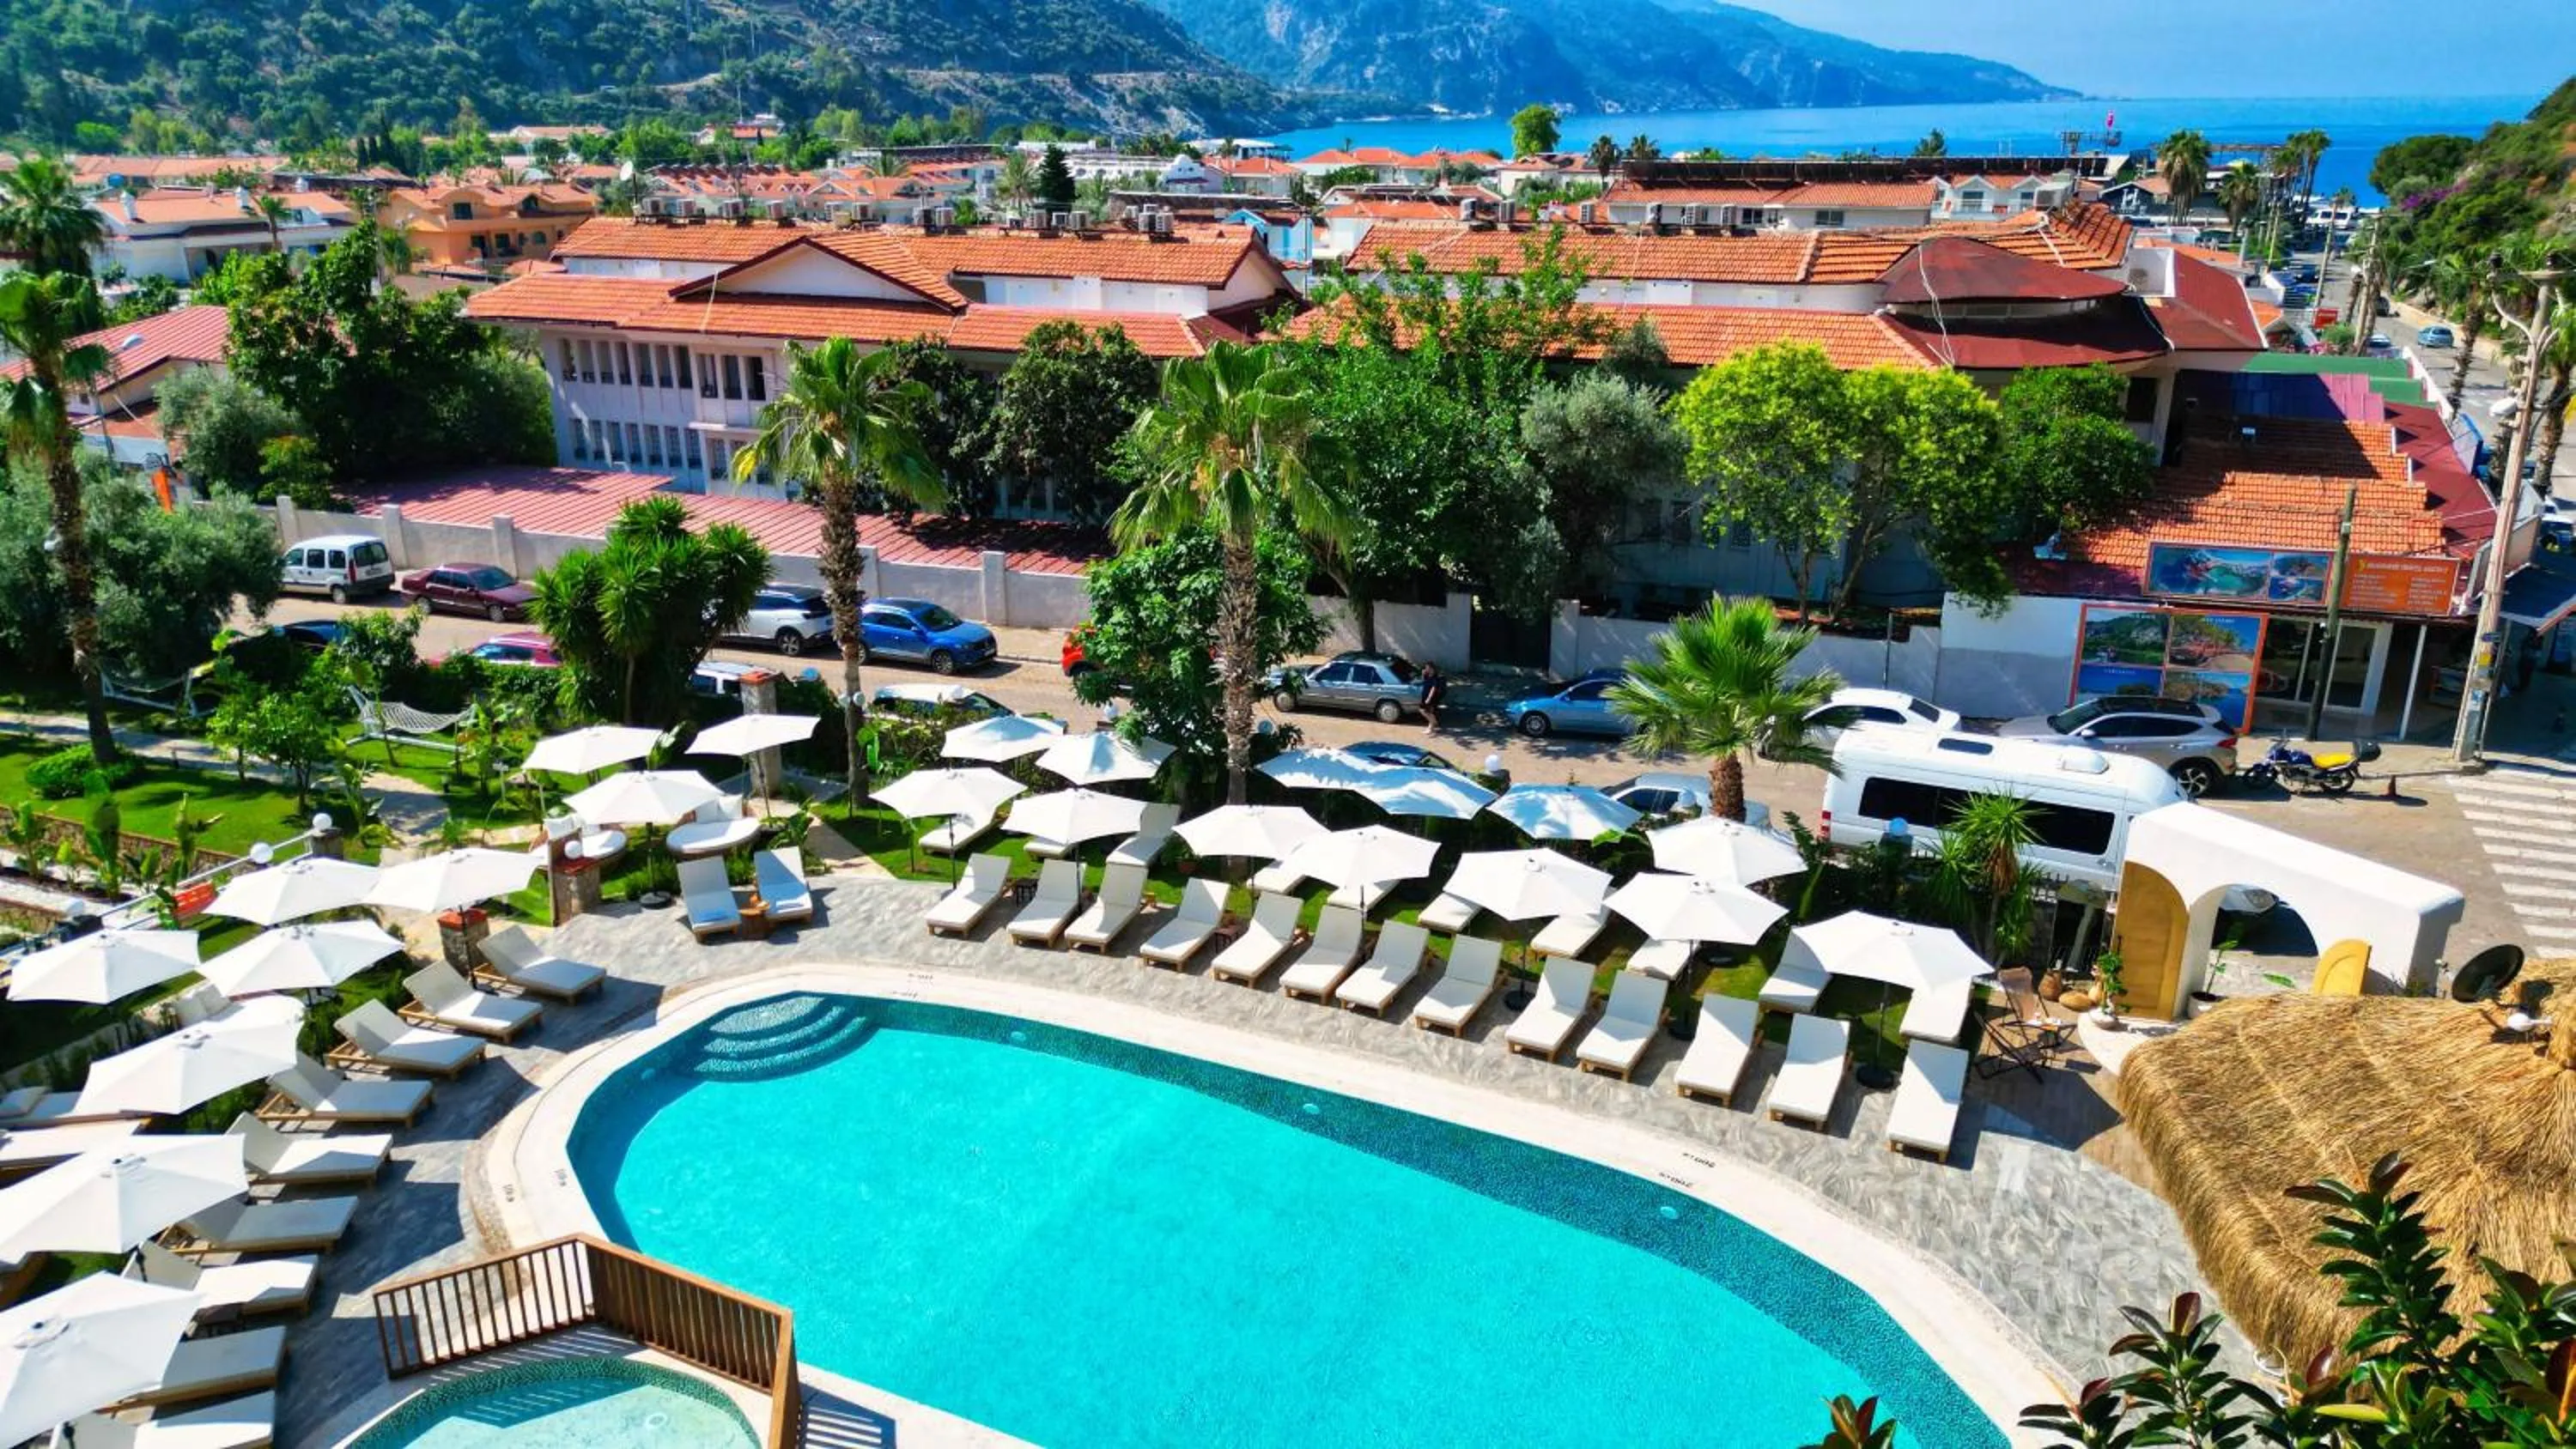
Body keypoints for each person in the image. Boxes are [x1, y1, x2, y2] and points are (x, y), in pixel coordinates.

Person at [1417, 662, 1447, 729]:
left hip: (1431, 698)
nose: (1426, 669)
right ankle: (1434, 723)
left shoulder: (1435, 678)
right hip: (1425, 696)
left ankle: (1431, 727)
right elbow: (1424, 682)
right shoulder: (1427, 675)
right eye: (1425, 668)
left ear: (1431, 669)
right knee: (1424, 711)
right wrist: (1422, 674)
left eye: (1427, 668)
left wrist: (1429, 698)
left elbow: (1433, 689)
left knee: (1428, 712)